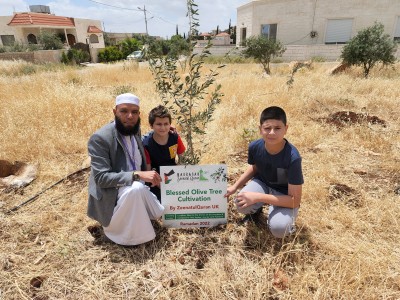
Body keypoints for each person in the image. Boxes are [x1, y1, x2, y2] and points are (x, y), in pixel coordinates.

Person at [87, 93, 165, 246]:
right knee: (136, 189)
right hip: (112, 193)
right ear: (115, 112)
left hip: (134, 187)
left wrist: (164, 132)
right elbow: (102, 179)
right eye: (124, 111)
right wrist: (138, 175)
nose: (130, 116)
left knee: (154, 205)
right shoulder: (100, 138)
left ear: (139, 114)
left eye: (134, 112)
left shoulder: (133, 129)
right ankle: (122, 236)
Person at [224, 106, 303, 238]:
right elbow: (254, 168)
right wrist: (234, 187)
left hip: (284, 194)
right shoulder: (255, 147)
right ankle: (256, 211)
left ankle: (284, 220)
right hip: (263, 184)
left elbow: (294, 200)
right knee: (241, 203)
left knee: (279, 229)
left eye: (277, 128)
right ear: (260, 129)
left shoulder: (293, 157)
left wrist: (258, 197)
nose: (272, 132)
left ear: (286, 129)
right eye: (267, 128)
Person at [142, 105, 186, 200]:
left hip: (174, 175)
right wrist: (159, 183)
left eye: (166, 124)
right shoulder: (147, 144)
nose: (163, 127)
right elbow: (148, 170)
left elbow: (182, 158)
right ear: (151, 125)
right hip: (156, 180)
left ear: (170, 124)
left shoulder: (175, 137)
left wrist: (181, 175)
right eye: (159, 124)